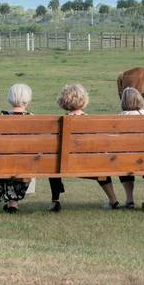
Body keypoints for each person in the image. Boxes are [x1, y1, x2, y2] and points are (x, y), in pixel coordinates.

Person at [97, 87, 144, 210]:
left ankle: (114, 201)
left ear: (124, 101)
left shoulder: (122, 116)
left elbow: (113, 141)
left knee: (121, 159)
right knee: (126, 158)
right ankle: (129, 199)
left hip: (126, 160)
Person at [49, 83, 89, 213]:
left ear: (64, 100)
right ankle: (113, 200)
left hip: (63, 164)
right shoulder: (91, 121)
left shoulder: (61, 121)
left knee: (53, 164)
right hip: (88, 162)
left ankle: (55, 201)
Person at [0, 83, 33, 214]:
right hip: (26, 163)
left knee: (6, 160)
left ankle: (11, 203)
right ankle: (13, 203)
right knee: (20, 161)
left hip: (3, 162)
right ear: (28, 99)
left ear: (10, 98)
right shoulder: (34, 119)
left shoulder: (1, 118)